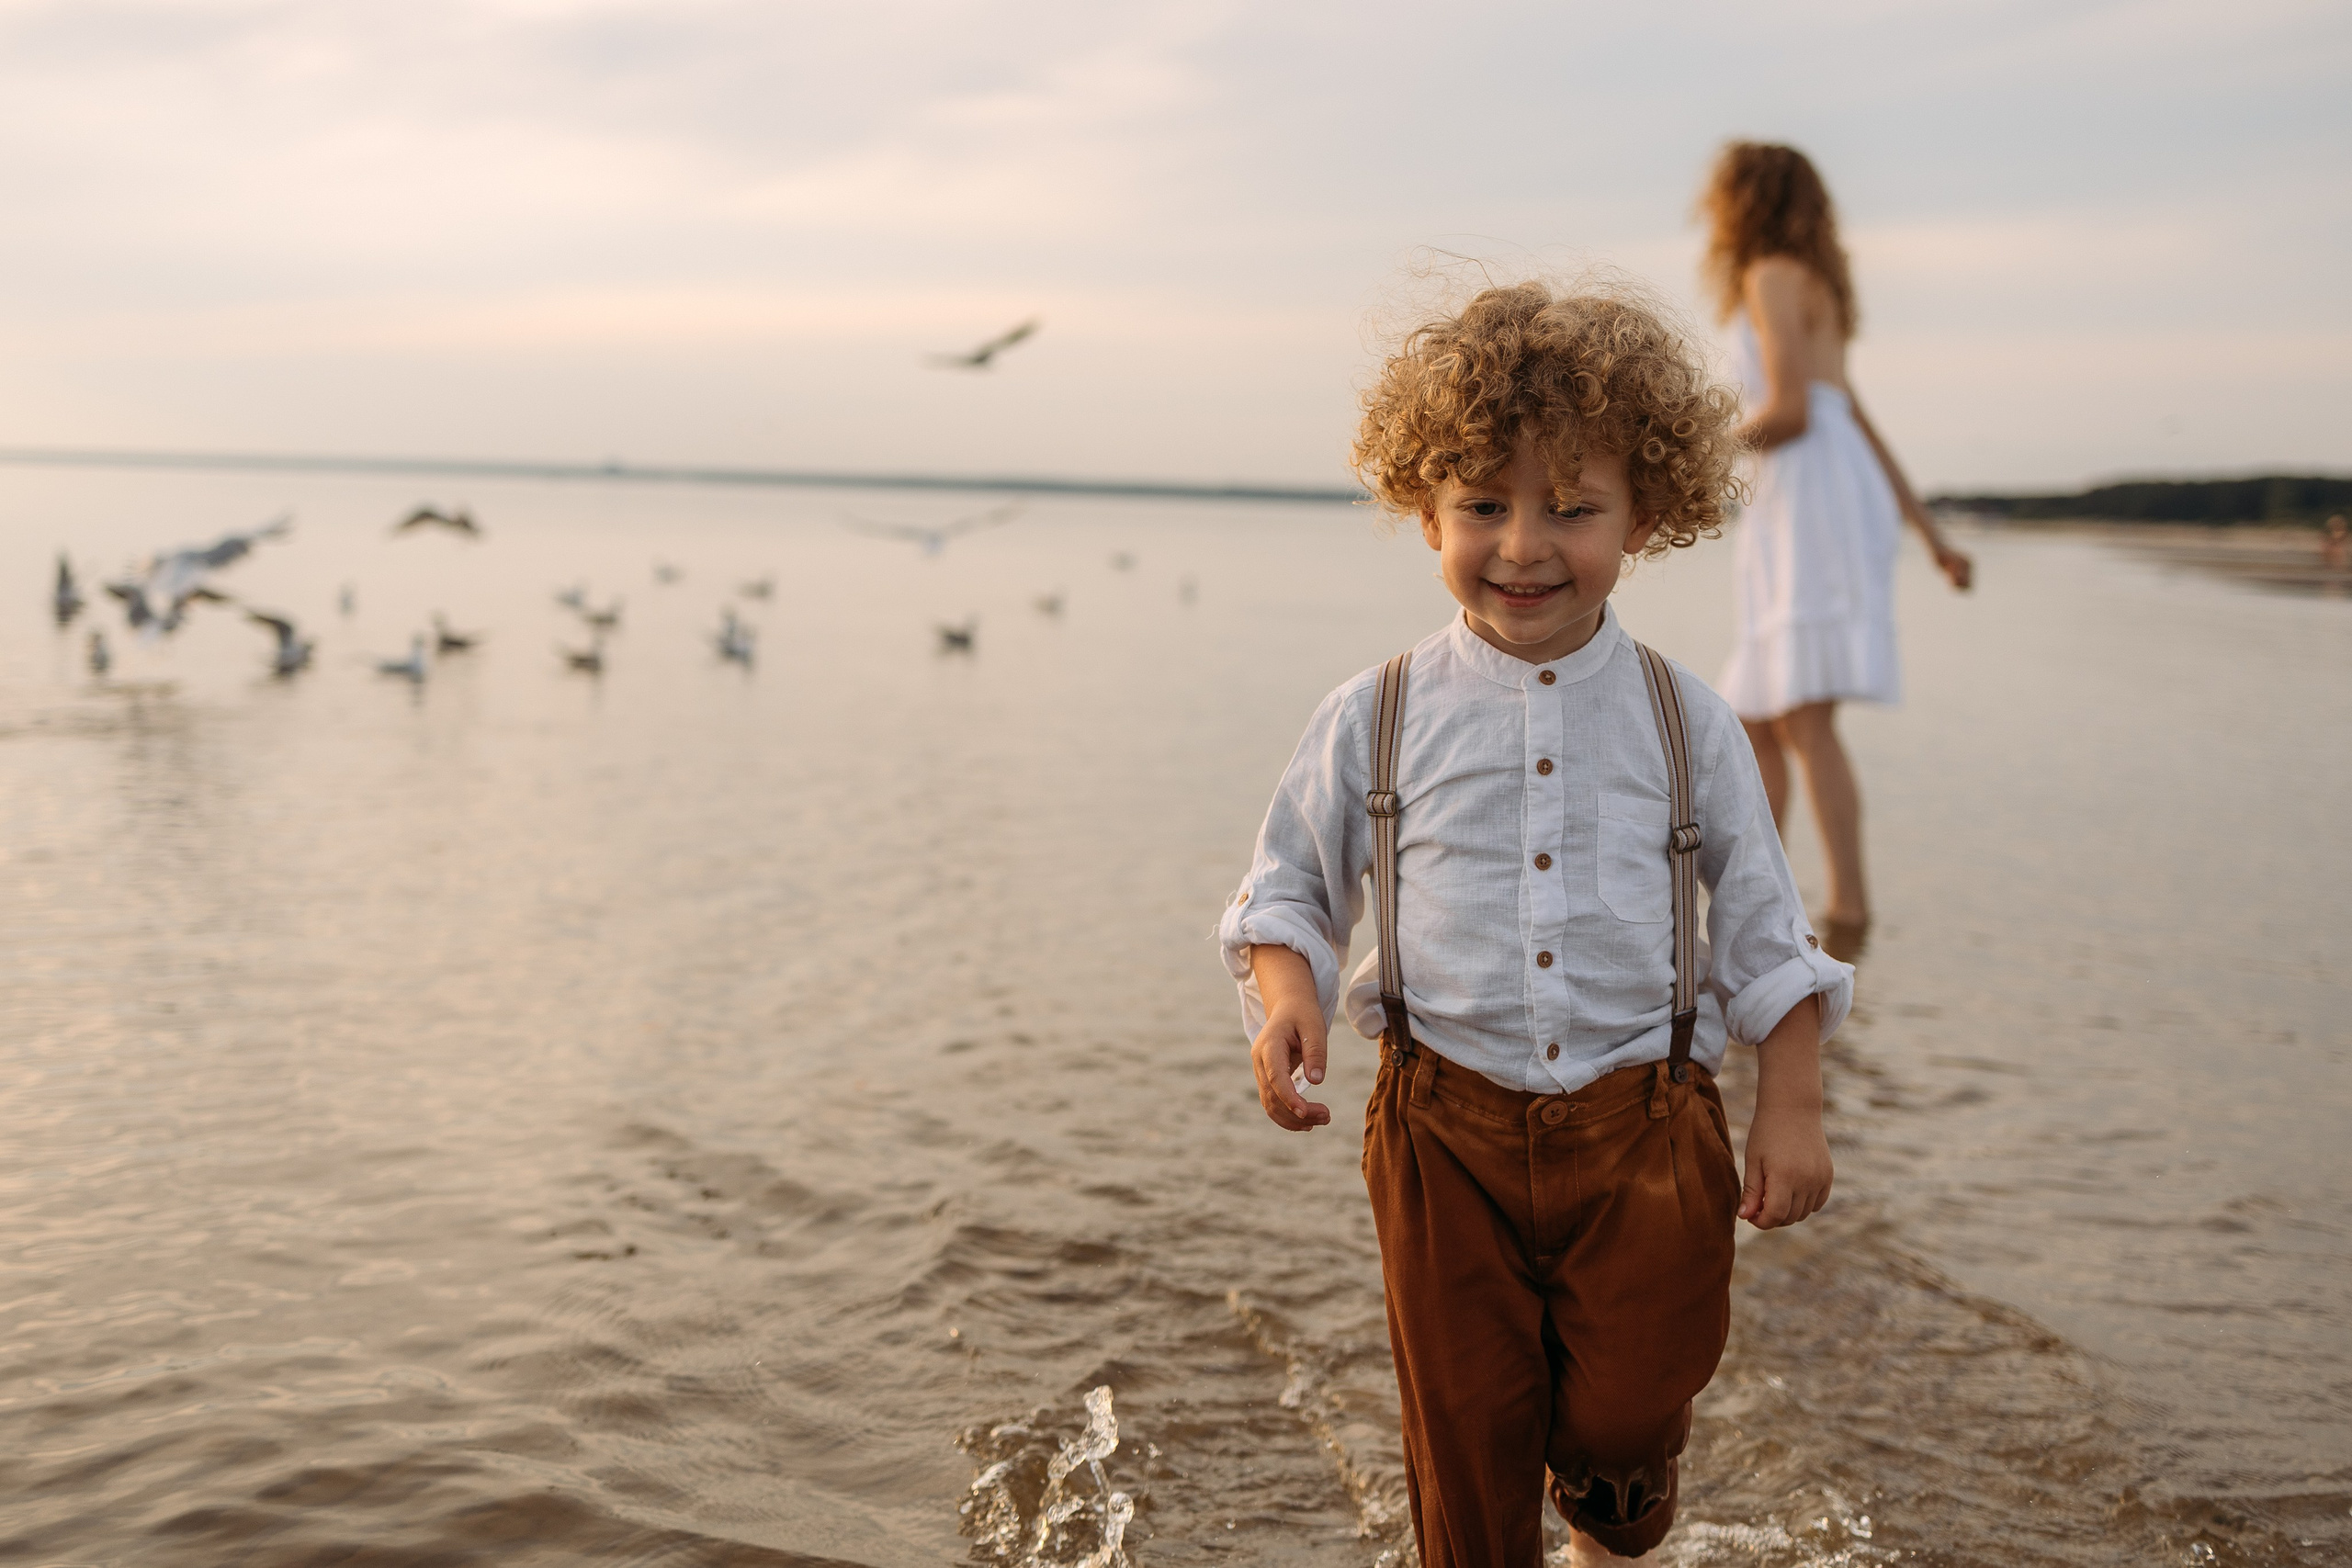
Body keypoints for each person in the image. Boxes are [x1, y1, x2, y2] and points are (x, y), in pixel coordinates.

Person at [1218, 282, 1854, 1567]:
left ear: (1648, 513)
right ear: (1425, 508)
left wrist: (1791, 1100)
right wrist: (1287, 990)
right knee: (1465, 1426)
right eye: (1484, 506)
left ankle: (1610, 1507)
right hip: (1438, 1123)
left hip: (1649, 1127)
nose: (1524, 544)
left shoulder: (1691, 721)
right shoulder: (1376, 712)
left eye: (1573, 507)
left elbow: (1767, 930)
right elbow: (1286, 886)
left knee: (1625, 1415)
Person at [1699, 141, 1971, 938]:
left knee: (1805, 717)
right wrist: (1931, 535)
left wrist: (1695, 447)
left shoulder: (1770, 276)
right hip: (1830, 488)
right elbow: (1856, 419)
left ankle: (1848, 908)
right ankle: (1764, 900)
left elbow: (1790, 412)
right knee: (1759, 717)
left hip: (1809, 495)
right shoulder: (1817, 284)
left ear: (1741, 203)